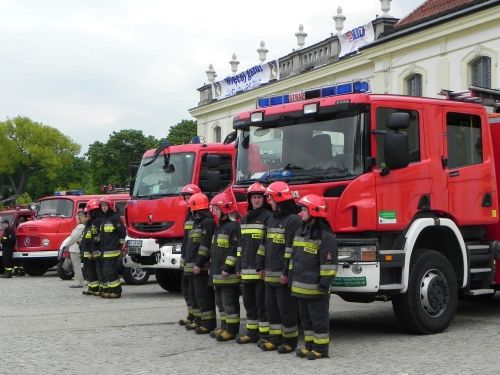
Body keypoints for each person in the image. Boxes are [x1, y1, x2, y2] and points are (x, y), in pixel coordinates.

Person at [257, 181, 302, 354]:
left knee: (287, 309)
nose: (268, 201)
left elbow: (291, 249)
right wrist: (260, 266)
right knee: (271, 308)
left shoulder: (293, 220)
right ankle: (275, 340)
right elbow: (263, 245)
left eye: (270, 198)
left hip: (282, 276)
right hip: (269, 273)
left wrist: (286, 272)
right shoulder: (270, 218)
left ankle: (289, 342)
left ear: (279, 198)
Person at [291, 194, 338, 360]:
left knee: (319, 320)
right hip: (301, 287)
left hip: (317, 290)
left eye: (304, 210)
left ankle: (321, 349)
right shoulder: (301, 232)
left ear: (313, 211)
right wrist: (291, 276)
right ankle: (310, 346)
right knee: (306, 321)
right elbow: (294, 257)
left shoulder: (326, 237)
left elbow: (329, 264)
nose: (300, 213)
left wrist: (324, 285)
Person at [236, 183, 272, 344]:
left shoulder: (268, 217)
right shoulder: (245, 218)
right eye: (254, 197)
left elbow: (267, 245)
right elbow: (241, 245)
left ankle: (264, 335)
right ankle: (252, 333)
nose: (257, 200)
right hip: (245, 269)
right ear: (249, 199)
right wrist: (238, 265)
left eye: (259, 197)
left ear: (264, 199)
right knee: (249, 303)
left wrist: (262, 266)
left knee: (261, 303)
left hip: (260, 271)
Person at [208, 192, 241, 341]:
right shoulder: (219, 227)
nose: (214, 212)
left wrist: (228, 268)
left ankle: (231, 330)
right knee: (220, 303)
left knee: (229, 304)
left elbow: (234, 249)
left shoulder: (233, 227)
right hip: (217, 274)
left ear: (225, 209)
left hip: (228, 275)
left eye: (216, 209)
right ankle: (224, 326)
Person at [185, 193, 216, 334]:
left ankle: (208, 323)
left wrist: (198, 264)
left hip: (202, 267)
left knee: (204, 295)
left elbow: (204, 246)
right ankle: (199, 320)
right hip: (194, 265)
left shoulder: (207, 223)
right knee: (197, 294)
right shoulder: (198, 221)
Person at [179, 183, 202, 326]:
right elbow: (186, 239)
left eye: (190, 197)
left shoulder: (199, 217)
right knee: (186, 288)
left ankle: (198, 317)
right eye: (186, 197)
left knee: (195, 290)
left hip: (195, 260)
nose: (188, 200)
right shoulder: (189, 215)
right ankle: (191, 315)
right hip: (187, 257)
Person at [97, 197, 126, 299]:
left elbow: (122, 232)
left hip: (112, 250)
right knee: (106, 271)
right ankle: (110, 290)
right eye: (102, 206)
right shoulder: (104, 219)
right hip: (104, 251)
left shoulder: (115, 217)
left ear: (109, 206)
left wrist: (119, 245)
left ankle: (116, 291)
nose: (103, 207)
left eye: (105, 205)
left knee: (110, 271)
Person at [60, 211, 87, 288]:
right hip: (75, 248)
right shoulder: (81, 227)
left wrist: (66, 245)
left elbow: (73, 238)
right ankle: (79, 281)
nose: (76, 220)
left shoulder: (80, 227)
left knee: (76, 266)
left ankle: (79, 282)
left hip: (75, 249)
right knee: (76, 266)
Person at [81, 199, 101, 296]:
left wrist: (91, 252)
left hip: (92, 253)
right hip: (87, 253)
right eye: (86, 213)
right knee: (88, 272)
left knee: (93, 271)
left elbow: (94, 239)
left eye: (89, 212)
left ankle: (96, 289)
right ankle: (92, 288)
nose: (87, 214)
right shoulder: (89, 224)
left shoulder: (96, 222)